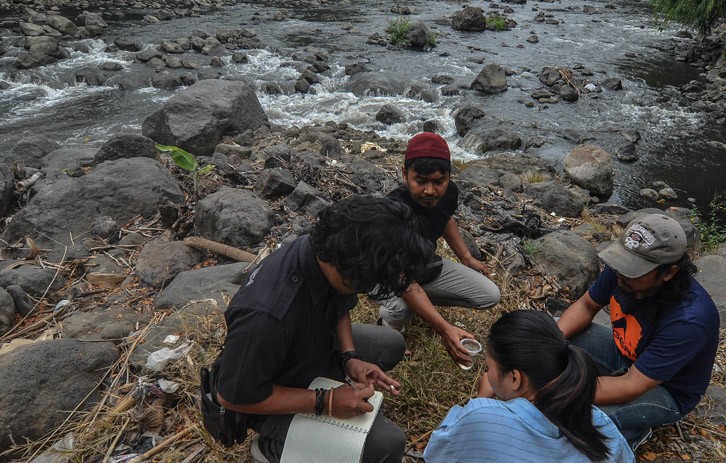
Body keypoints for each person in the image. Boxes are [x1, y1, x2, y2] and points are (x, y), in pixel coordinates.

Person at [214, 195, 435, 463]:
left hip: (307, 352)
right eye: (367, 283)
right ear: (350, 269)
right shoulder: (265, 317)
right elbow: (231, 396)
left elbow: (339, 304)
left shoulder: (328, 252)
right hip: (265, 398)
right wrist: (325, 402)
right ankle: (274, 447)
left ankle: (328, 389)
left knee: (389, 343)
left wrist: (349, 358)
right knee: (386, 445)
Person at [557, 213, 719, 449]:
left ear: (669, 272)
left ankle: (633, 433)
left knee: (581, 420)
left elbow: (630, 385)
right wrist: (544, 348)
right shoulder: (624, 273)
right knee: (550, 333)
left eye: (634, 270)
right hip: (625, 355)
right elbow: (586, 305)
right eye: (622, 263)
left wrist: (555, 391)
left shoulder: (690, 319)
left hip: (665, 390)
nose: (621, 273)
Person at [425, 310, 634, 463]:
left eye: (490, 368)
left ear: (515, 379)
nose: (488, 375)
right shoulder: (600, 424)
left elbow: (437, 453)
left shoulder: (479, 417)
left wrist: (482, 400)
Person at [381, 132, 500, 367]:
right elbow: (404, 281)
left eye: (438, 181)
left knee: (490, 295)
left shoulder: (448, 193)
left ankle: (421, 304)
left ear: (448, 176)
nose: (430, 190)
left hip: (424, 265)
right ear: (405, 175)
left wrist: (467, 258)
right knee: (398, 308)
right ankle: (391, 331)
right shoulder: (394, 212)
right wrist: (444, 328)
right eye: (421, 181)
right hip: (390, 275)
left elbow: (445, 219)